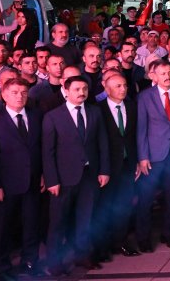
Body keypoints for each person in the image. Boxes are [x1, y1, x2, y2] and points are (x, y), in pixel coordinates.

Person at [42, 74, 110, 273]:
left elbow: (102, 143)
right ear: (66, 91)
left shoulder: (95, 112)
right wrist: (51, 180)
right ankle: (54, 262)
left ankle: (83, 256)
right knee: (58, 222)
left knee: (86, 218)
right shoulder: (53, 116)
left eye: (84, 89)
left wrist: (104, 170)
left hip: (89, 175)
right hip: (63, 178)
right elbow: (48, 152)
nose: (81, 93)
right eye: (77, 89)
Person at [0, 78, 42, 277]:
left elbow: (43, 149)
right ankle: (2, 267)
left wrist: (44, 176)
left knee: (31, 226)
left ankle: (30, 262)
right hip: (4, 186)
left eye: (23, 92)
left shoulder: (38, 116)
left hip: (32, 182)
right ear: (4, 96)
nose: (20, 96)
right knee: (2, 229)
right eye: (14, 92)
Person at [135, 60, 170, 251]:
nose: (167, 76)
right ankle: (143, 238)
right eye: (162, 73)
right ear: (154, 76)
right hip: (152, 156)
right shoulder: (144, 97)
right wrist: (142, 157)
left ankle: (169, 234)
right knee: (147, 199)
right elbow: (141, 129)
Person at [97, 71, 139, 259]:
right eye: (118, 86)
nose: (123, 89)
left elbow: (135, 136)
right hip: (107, 167)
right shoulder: (98, 109)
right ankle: (103, 245)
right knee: (105, 206)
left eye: (124, 85)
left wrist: (138, 160)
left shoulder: (132, 106)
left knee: (124, 205)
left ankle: (120, 242)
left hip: (128, 164)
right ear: (106, 89)